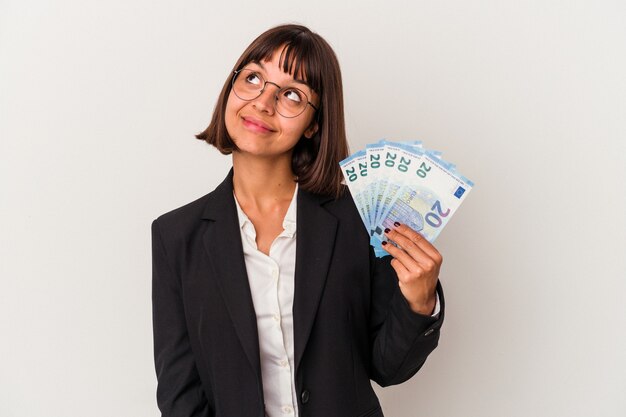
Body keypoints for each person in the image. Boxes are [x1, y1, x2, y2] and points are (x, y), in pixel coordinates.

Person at [151, 24, 445, 417]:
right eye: (253, 77)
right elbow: (180, 393)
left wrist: (419, 300)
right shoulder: (176, 237)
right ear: (230, 88)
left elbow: (388, 367)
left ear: (314, 124)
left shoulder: (359, 219)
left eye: (292, 94)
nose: (263, 102)